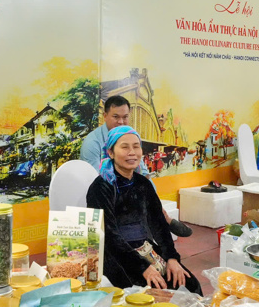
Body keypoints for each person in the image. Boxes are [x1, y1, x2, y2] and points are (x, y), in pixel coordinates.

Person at [86, 126, 203, 294]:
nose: (132, 152)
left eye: (136, 146)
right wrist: (142, 267)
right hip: (113, 255)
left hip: (145, 248)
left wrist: (171, 258)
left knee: (190, 286)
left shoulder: (143, 184)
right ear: (111, 153)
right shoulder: (100, 188)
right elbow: (109, 236)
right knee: (153, 292)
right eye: (124, 147)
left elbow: (160, 225)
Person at [81, 95, 192, 237]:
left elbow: (143, 171)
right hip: (105, 196)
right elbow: (99, 182)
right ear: (105, 116)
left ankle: (164, 220)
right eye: (116, 117)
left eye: (125, 117)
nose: (121, 122)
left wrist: (153, 197)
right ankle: (164, 223)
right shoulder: (92, 142)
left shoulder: (130, 135)